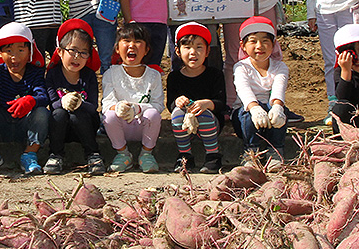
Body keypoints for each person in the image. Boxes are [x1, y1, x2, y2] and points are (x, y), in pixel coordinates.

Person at [0, 22, 50, 178]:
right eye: (8, 51)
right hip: (2, 123)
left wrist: (31, 100)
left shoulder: (35, 72)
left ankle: (29, 155)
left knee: (42, 112)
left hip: (25, 125)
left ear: (30, 51)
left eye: (21, 50)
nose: (15, 56)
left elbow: (43, 96)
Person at [43, 18, 104, 175]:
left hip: (85, 125)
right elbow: (52, 103)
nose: (77, 56)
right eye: (73, 50)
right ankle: (55, 154)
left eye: (83, 53)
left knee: (78, 114)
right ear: (60, 52)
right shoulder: (53, 75)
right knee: (58, 113)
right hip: (62, 127)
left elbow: (93, 106)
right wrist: (63, 101)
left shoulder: (89, 76)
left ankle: (93, 154)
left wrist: (79, 104)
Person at [101, 23, 164, 173]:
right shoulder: (110, 74)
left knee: (153, 114)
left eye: (138, 41)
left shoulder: (153, 75)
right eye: (126, 41)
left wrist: (138, 108)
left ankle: (146, 154)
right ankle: (123, 154)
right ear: (117, 48)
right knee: (109, 116)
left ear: (146, 50)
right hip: (121, 125)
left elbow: (158, 105)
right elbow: (106, 103)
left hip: (144, 125)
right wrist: (118, 107)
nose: (132, 45)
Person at [167, 22, 227, 174]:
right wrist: (177, 102)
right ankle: (185, 155)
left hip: (210, 124)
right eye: (187, 47)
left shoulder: (215, 75)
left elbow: (221, 103)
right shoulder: (174, 77)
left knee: (203, 113)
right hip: (185, 125)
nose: (193, 52)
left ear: (207, 51)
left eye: (199, 47)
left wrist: (207, 104)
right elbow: (170, 105)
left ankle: (213, 155)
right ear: (177, 51)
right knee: (177, 114)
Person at [232, 16, 290, 162]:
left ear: (273, 44)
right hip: (247, 115)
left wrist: (277, 107)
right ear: (243, 45)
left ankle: (276, 152)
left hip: (270, 112)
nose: (259, 46)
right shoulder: (241, 67)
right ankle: (251, 153)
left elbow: (279, 89)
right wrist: (254, 108)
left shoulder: (280, 67)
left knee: (280, 113)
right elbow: (244, 90)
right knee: (246, 115)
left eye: (265, 41)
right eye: (253, 41)